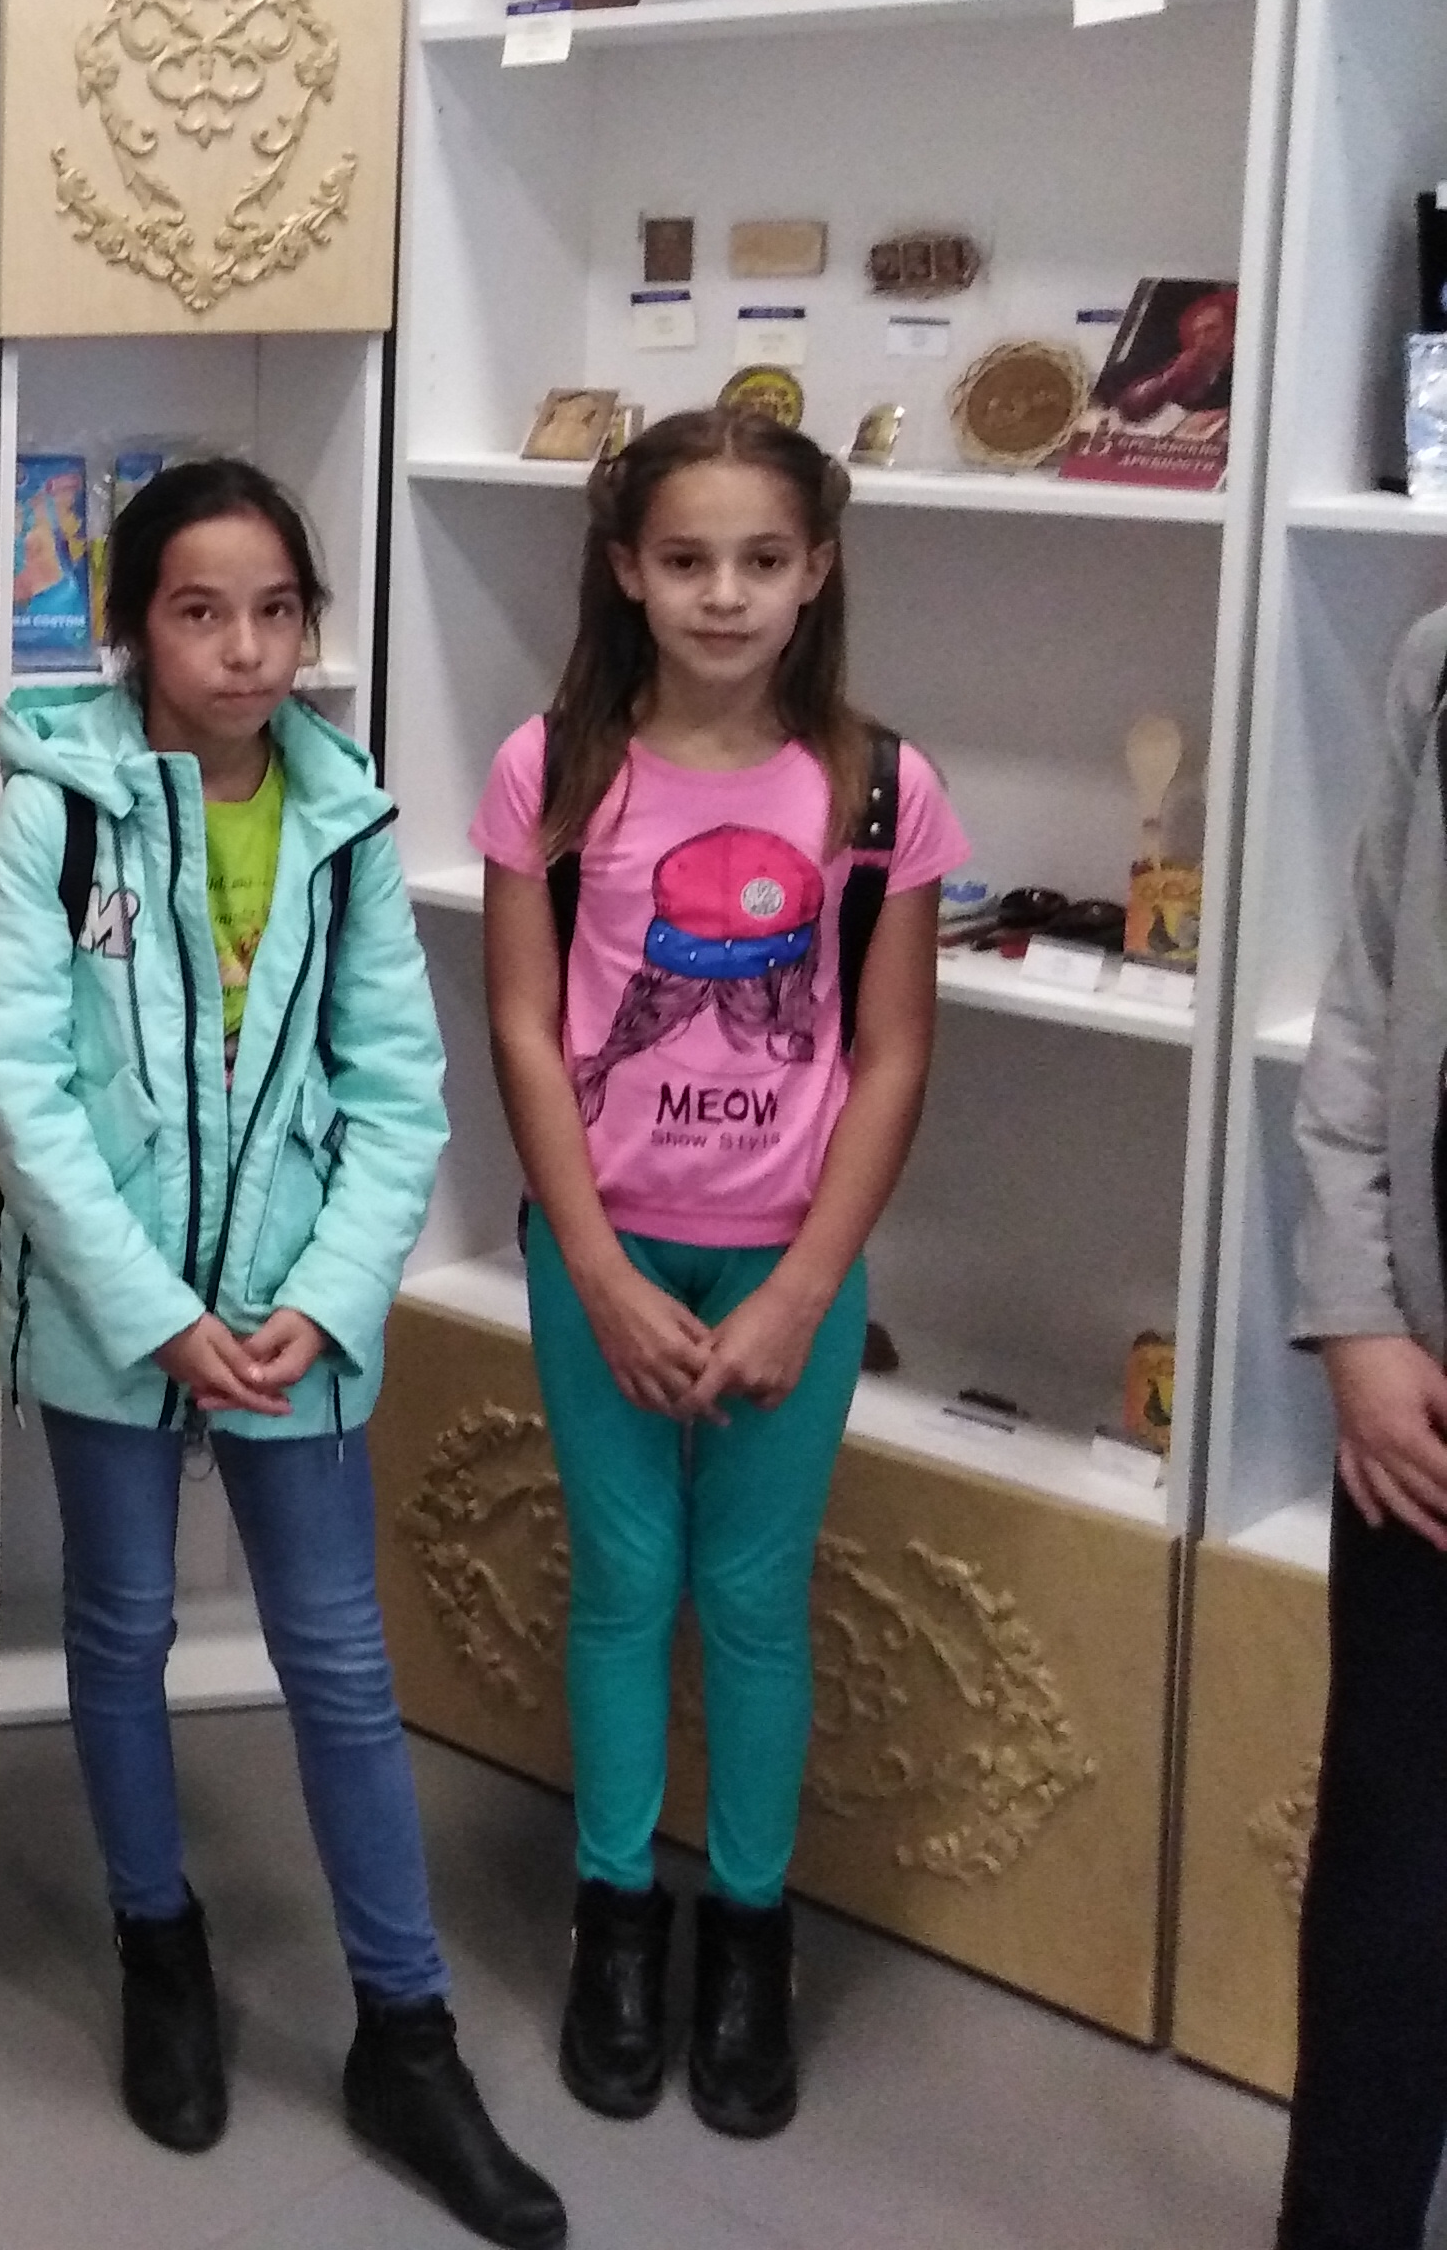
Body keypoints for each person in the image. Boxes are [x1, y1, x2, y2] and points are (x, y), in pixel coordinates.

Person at [0, 458, 562, 2248]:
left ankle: (407, 2030)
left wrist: (332, 1292)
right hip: (114, 1312)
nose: (242, 649)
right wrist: (154, 1312)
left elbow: (399, 1090)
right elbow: (23, 1088)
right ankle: (158, 1941)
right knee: (122, 1630)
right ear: (130, 627)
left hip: (298, 1313)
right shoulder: (56, 810)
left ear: (312, 625)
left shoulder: (348, 817)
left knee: (339, 1661)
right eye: (199, 611)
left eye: (276, 612)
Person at [475, 406, 962, 2143]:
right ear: (626, 568)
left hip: (786, 1267)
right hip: (599, 1251)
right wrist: (595, 1269)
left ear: (818, 568)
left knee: (753, 1600)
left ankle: (751, 1931)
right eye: (686, 559)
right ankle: (617, 1915)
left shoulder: (880, 789)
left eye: (762, 559)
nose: (725, 594)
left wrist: (802, 1292)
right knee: (623, 1587)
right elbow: (523, 1026)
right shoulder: (552, 770)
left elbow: (892, 1055)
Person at [1276, 600, 1447, 2246]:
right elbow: (1369, 1005)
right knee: (1394, 1863)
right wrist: (1358, 1316)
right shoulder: (1438, 665)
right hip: (1421, 1406)